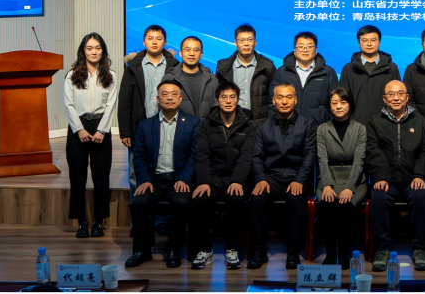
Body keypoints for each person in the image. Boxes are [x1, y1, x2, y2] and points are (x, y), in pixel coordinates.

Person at [126, 79, 200, 269]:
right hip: (153, 180)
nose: (169, 98)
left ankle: (174, 248)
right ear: (157, 99)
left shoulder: (193, 123)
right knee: (138, 203)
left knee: (182, 203)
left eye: (174, 94)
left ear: (180, 98)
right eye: (165, 94)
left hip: (178, 179)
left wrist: (184, 179)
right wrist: (144, 179)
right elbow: (139, 156)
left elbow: (195, 156)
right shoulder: (145, 125)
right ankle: (143, 249)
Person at [247, 83, 318, 270]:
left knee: (296, 199)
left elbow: (310, 156)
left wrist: (299, 180)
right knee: (257, 199)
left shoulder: (308, 124)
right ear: (273, 100)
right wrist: (261, 178)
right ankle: (259, 251)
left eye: (288, 97)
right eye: (280, 97)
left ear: (295, 100)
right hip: (271, 176)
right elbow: (256, 156)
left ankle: (293, 253)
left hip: (296, 175)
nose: (284, 101)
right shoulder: (263, 126)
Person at [366, 80, 425, 272]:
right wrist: (380, 177)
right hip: (387, 180)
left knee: (421, 197)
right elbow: (373, 151)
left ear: (407, 97)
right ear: (384, 99)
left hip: (413, 179)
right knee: (378, 199)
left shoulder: (420, 121)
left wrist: (420, 175)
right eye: (391, 94)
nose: (396, 98)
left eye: (400, 94)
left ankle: (420, 249)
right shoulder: (375, 121)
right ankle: (382, 249)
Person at [190, 82, 256, 270]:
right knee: (199, 199)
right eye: (224, 97)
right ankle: (204, 250)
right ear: (217, 100)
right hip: (212, 177)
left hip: (237, 177)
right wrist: (204, 182)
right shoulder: (206, 124)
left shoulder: (249, 125)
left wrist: (237, 181)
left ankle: (232, 249)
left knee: (236, 199)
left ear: (238, 99)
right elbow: (202, 155)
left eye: (232, 97)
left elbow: (246, 156)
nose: (228, 101)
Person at [63, 32, 118, 239]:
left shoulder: (111, 75)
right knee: (77, 177)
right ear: (83, 51)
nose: (94, 52)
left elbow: (111, 105)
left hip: (101, 127)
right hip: (78, 127)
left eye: (97, 48)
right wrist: (79, 129)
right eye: (89, 48)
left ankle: (98, 222)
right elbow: (68, 104)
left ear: (103, 50)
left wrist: (102, 130)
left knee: (101, 177)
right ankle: (81, 222)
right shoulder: (72, 75)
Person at [118, 25, 178, 193]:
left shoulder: (174, 66)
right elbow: (124, 101)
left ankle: (160, 208)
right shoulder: (132, 67)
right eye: (150, 39)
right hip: (139, 126)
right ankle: (138, 209)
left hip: (167, 125)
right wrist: (125, 131)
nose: (154, 42)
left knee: (164, 170)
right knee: (135, 173)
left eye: (159, 39)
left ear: (165, 42)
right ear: (144, 42)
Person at [315, 88, 367, 269]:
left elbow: (359, 161)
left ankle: (344, 254)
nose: (338, 106)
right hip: (328, 177)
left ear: (350, 105)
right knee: (327, 207)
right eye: (334, 103)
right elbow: (322, 160)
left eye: (343, 102)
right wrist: (327, 185)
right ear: (329, 106)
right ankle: (330, 254)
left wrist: (349, 188)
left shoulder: (360, 128)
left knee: (346, 208)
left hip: (355, 179)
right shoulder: (322, 129)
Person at [340, 25, 402, 127]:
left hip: (386, 125)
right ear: (359, 43)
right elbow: (343, 99)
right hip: (355, 126)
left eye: (373, 40)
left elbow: (398, 97)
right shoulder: (348, 69)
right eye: (364, 40)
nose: (369, 44)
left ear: (379, 42)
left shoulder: (391, 68)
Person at [272, 31, 338, 125]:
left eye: (310, 46)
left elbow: (335, 103)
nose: (305, 50)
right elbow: (272, 102)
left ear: (316, 49)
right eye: (301, 46)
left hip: (319, 128)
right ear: (294, 49)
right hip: (287, 127)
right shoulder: (282, 72)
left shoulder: (328, 72)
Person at [216, 23, 277, 122]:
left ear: (255, 42)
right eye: (242, 40)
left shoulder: (267, 67)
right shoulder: (224, 68)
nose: (246, 43)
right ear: (235, 43)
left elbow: (273, 98)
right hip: (233, 122)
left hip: (260, 123)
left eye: (250, 39)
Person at [165, 36, 217, 119]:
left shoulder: (212, 79)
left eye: (196, 50)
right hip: (179, 127)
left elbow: (217, 108)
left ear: (201, 54)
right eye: (187, 49)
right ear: (180, 53)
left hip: (206, 127)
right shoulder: (170, 78)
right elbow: (164, 109)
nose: (191, 53)